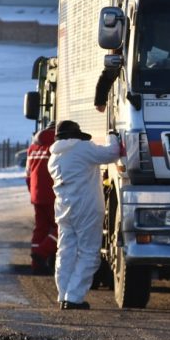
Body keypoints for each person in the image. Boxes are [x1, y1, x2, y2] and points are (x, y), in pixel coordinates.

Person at [47, 120, 121, 310]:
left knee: (65, 252)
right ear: (75, 135)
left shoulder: (54, 157)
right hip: (86, 208)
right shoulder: (81, 148)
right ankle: (74, 297)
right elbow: (112, 153)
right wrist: (113, 135)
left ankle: (63, 293)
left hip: (63, 209)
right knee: (89, 253)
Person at [26, 122, 58, 275]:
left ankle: (36, 265)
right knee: (61, 228)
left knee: (40, 229)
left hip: (36, 195)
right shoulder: (55, 146)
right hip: (53, 194)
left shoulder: (33, 147)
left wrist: (32, 192)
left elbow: (27, 175)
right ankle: (41, 254)